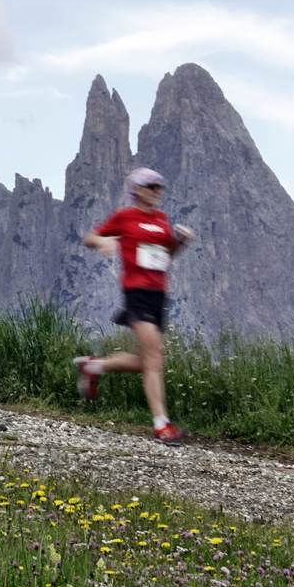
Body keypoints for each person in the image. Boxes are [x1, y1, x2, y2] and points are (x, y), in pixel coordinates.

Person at [74, 167, 195, 445]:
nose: (157, 192)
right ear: (138, 189)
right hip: (136, 293)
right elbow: (89, 238)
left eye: (160, 187)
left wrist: (180, 242)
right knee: (154, 357)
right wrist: (104, 240)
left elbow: (167, 256)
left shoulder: (162, 220)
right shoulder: (125, 216)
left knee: (148, 361)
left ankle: (92, 368)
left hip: (158, 295)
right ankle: (162, 425)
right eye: (152, 186)